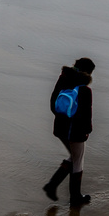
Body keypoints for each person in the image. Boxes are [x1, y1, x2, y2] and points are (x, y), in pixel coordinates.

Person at [43, 57, 95, 206]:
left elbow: (53, 104)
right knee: (78, 160)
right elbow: (86, 115)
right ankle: (75, 197)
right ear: (89, 72)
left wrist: (63, 117)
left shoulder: (63, 79)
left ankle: (52, 186)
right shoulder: (85, 89)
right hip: (76, 131)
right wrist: (87, 131)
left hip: (60, 128)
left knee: (74, 157)